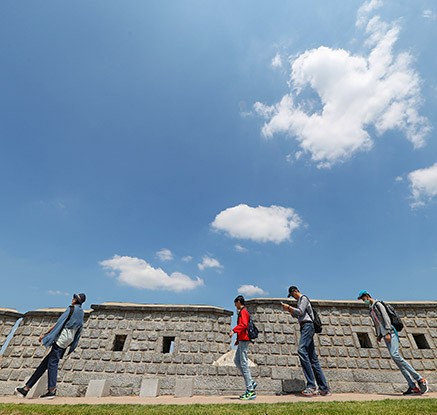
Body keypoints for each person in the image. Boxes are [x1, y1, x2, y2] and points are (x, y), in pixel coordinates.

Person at [357, 290, 428, 395]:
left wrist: (388, 332)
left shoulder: (378, 304)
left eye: (363, 299)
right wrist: (379, 335)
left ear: (367, 296)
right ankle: (412, 386)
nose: (363, 301)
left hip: (391, 333)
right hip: (385, 335)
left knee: (396, 355)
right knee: (397, 361)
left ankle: (420, 379)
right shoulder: (371, 309)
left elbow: (386, 318)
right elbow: (377, 323)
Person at [15, 293, 86, 399]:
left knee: (53, 364)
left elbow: (58, 323)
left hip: (61, 340)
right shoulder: (81, 313)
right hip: (68, 341)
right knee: (45, 364)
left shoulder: (71, 309)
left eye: (74, 298)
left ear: (76, 300)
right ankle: (26, 388)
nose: (72, 299)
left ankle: (51, 390)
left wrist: (45, 334)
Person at [282, 286, 330, 396]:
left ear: (295, 291)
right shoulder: (299, 301)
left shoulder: (303, 298)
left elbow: (300, 312)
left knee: (301, 350)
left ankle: (311, 385)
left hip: (308, 326)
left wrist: (289, 307)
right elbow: (297, 314)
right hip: (305, 327)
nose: (293, 298)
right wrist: (289, 310)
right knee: (313, 359)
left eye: (292, 295)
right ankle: (323, 388)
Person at [229, 295, 257, 400]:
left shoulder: (243, 311)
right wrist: (237, 339)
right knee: (237, 361)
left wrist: (234, 330)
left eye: (235, 303)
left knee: (244, 363)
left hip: (244, 339)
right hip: (241, 339)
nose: (235, 305)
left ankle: (250, 390)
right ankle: (251, 381)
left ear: (239, 302)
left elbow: (244, 325)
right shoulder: (241, 312)